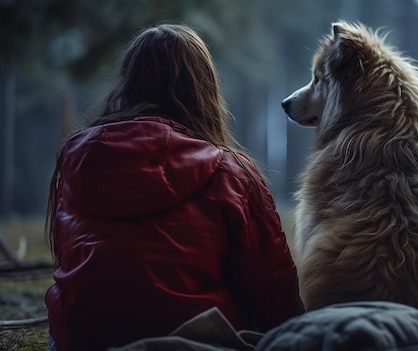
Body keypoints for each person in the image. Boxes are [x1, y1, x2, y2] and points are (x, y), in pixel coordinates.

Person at [44, 23, 304, 351]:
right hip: (195, 341)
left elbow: (70, 261)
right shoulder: (231, 172)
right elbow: (272, 288)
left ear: (128, 82)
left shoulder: (77, 157)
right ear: (203, 88)